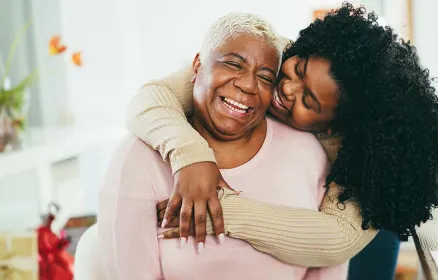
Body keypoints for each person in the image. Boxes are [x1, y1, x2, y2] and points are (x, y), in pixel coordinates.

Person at [125, 2, 438, 275]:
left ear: (332, 127)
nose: (286, 88)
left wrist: (223, 211)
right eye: (298, 70)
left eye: (308, 101)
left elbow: (335, 240)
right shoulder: (272, 55)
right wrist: (192, 157)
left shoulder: (357, 154)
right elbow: (151, 98)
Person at [97, 13, 347, 279]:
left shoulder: (310, 156)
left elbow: (334, 251)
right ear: (197, 66)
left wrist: (229, 213)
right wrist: (191, 156)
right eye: (233, 64)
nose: (248, 84)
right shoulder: (138, 159)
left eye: (265, 78)